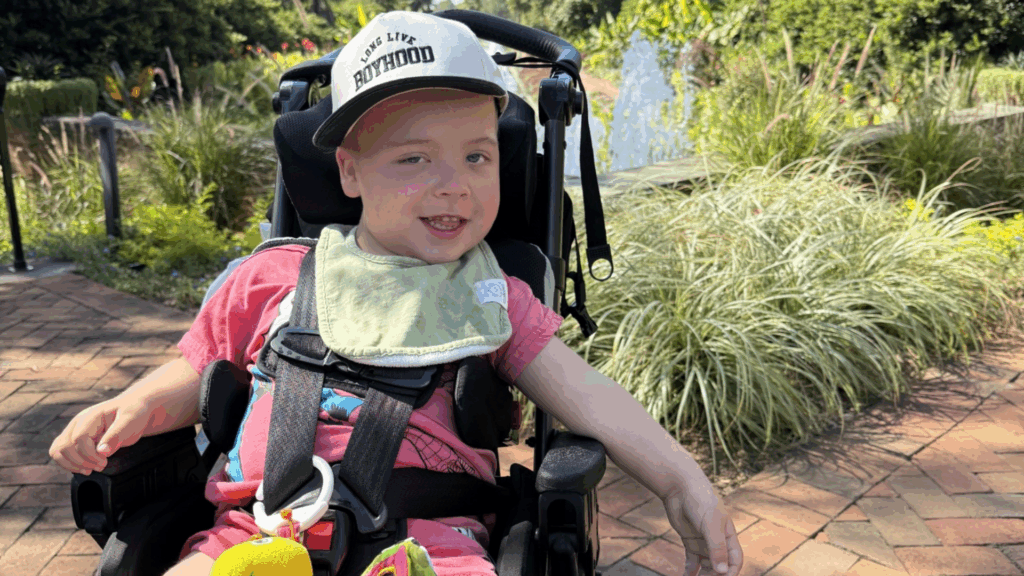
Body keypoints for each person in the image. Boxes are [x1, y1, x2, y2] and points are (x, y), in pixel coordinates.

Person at [49, 10, 743, 576]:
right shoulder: (271, 279)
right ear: (348, 172)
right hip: (250, 539)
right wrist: (133, 404)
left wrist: (683, 482)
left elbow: (589, 395)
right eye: (414, 158)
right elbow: (198, 373)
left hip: (432, 545)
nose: (455, 183)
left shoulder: (491, 295)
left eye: (477, 155)